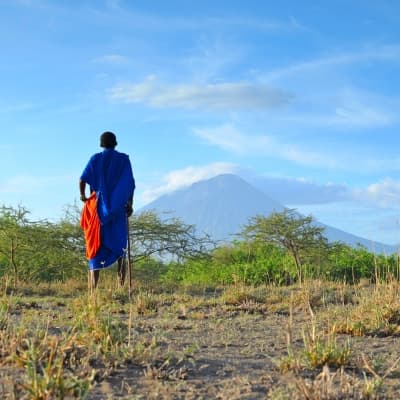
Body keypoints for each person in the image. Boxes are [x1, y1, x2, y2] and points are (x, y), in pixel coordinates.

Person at [79, 131, 135, 292]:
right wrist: (129, 204)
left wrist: (83, 196)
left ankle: (92, 290)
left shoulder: (95, 159)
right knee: (120, 248)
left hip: (97, 210)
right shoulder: (124, 160)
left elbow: (82, 179)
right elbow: (129, 184)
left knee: (95, 246)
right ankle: (121, 287)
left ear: (101, 144)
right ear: (115, 143)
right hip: (118, 210)